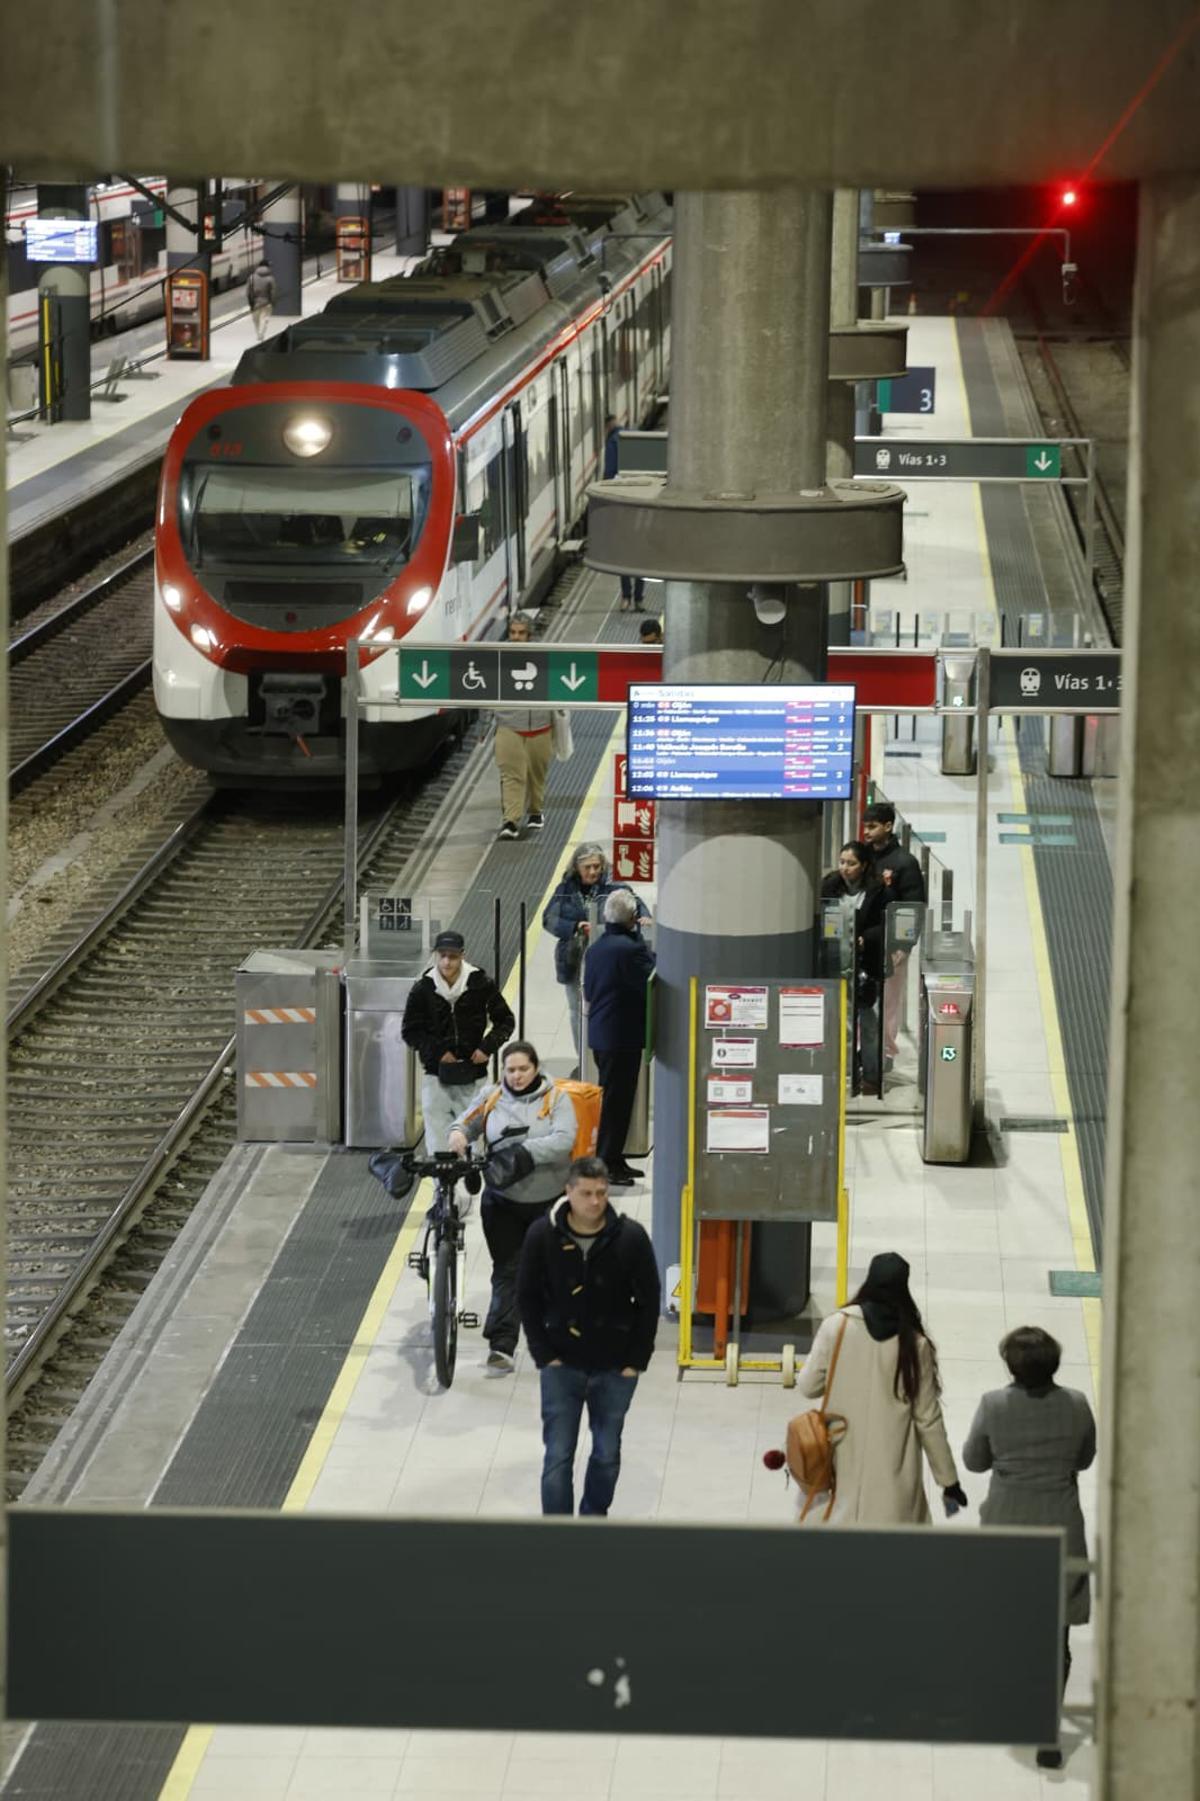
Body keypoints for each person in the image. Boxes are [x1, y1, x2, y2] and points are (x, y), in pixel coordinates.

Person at [963, 1327, 1097, 1770]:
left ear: (1011, 1366)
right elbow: (1084, 1458)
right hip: (1060, 1525)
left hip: (1007, 1526)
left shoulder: (994, 1405)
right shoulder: (1076, 1404)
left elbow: (974, 1460)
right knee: (1056, 1637)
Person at [517, 1155, 660, 1515]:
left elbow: (649, 1301)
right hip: (561, 1366)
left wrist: (635, 1362)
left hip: (615, 1368)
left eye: (601, 1193)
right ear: (568, 1192)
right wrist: (544, 1354)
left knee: (607, 1453)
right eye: (586, 1193)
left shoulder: (631, 1238)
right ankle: (557, 1533)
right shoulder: (542, 1236)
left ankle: (593, 1520)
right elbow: (527, 1297)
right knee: (557, 1457)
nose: (595, 1202)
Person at [794, 1251, 966, 1524]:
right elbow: (927, 1419)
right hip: (893, 1473)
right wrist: (949, 1481)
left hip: (838, 1458)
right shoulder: (914, 1344)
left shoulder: (836, 1326)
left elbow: (808, 1387)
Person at [448, 1041, 577, 1374]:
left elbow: (565, 1139)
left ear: (536, 1068)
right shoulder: (491, 1097)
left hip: (546, 1203)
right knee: (507, 1270)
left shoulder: (556, 1099)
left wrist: (523, 1152)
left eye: (523, 1069)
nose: (517, 1076)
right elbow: (466, 1122)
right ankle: (501, 1345)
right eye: (511, 1070)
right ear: (502, 1071)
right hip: (501, 1202)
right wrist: (458, 1134)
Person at [401, 931, 514, 1154]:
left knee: (476, 1141)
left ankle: (474, 1182)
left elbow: (506, 1021)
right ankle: (441, 1188)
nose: (446, 962)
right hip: (436, 1076)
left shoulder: (480, 984)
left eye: (452, 956)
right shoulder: (423, 989)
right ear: (435, 955)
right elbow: (411, 1031)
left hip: (474, 1076)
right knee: (437, 1143)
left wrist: (486, 1047)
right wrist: (437, 1052)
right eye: (441, 955)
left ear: (462, 955)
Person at [543, 843, 649, 1061]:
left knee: (603, 1007)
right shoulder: (565, 889)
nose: (593, 872)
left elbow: (635, 904)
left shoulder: (615, 886)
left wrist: (644, 916)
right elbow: (549, 919)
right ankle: (582, 1057)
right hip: (573, 958)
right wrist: (574, 927)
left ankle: (601, 1055)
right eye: (587, 867)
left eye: (596, 866)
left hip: (605, 959)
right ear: (577, 868)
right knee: (576, 1010)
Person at [583, 890, 655, 1186]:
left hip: (601, 1034)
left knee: (613, 1100)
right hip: (622, 1036)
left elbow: (589, 991)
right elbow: (651, 977)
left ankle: (613, 1159)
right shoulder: (630, 949)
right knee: (617, 1102)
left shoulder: (597, 948)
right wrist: (640, 939)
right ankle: (607, 1163)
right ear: (632, 919)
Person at [860, 801, 927, 1066]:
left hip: (891, 945)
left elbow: (914, 907)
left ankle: (885, 1051)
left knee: (889, 999)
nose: (866, 832)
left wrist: (904, 946)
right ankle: (863, 1047)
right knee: (863, 995)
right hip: (864, 939)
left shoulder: (904, 863)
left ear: (888, 826)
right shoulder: (862, 856)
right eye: (865, 826)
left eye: (872, 827)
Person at [821, 840, 888, 1092]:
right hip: (835, 964)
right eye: (842, 862)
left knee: (869, 1023)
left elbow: (886, 923)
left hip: (866, 967)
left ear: (864, 865)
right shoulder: (829, 887)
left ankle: (871, 1075)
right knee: (840, 1023)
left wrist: (866, 938)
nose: (845, 868)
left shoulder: (877, 890)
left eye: (851, 863)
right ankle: (844, 1074)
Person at [494, 613, 553, 840]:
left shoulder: (545, 656)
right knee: (512, 775)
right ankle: (511, 820)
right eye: (513, 632)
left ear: (529, 635)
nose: (516, 637)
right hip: (509, 725)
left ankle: (536, 811)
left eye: (521, 633)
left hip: (540, 725)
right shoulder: (498, 656)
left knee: (537, 774)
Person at [603, 414, 644, 611]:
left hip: (622, 507)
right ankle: (640, 599)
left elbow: (608, 476)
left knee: (624, 556)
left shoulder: (612, 442)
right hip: (643, 508)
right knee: (642, 555)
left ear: (606, 427)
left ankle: (626, 597)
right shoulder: (637, 437)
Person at [247, 259, 277, 341]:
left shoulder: (252, 277)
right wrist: (273, 302)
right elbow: (273, 292)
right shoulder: (270, 278)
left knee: (256, 320)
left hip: (255, 302)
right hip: (267, 302)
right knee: (264, 319)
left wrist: (251, 303)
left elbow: (248, 292)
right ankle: (261, 334)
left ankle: (258, 334)